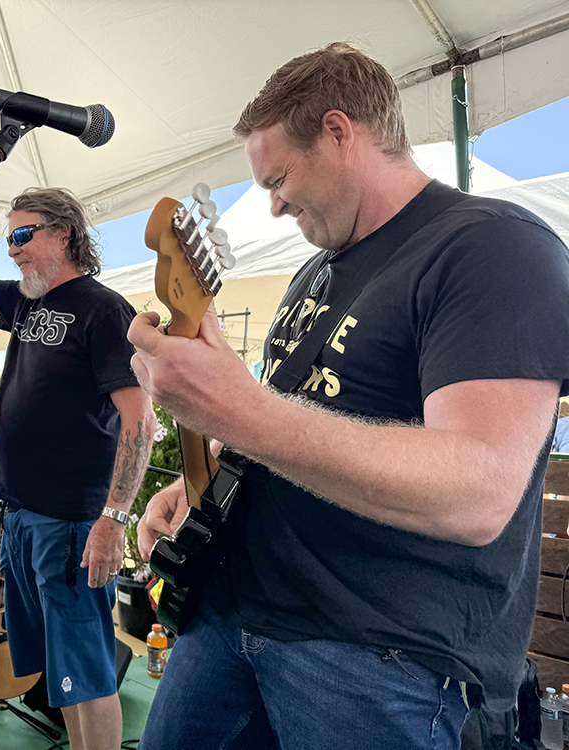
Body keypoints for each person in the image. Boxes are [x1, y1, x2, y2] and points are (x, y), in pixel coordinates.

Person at [128, 42, 569, 750]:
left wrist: (241, 412)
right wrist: (207, 484)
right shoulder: (314, 274)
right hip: (232, 616)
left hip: (378, 656)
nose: (274, 206)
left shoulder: (493, 247)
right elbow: (296, 429)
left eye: (278, 179)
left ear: (338, 132)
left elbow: (479, 491)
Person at [0, 160, 155, 750]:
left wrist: (113, 519)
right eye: (8, 237)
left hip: (71, 522)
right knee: (62, 676)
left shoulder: (102, 309)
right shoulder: (25, 303)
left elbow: (140, 419)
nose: (12, 249)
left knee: (87, 672)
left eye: (22, 234)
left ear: (63, 233)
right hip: (21, 517)